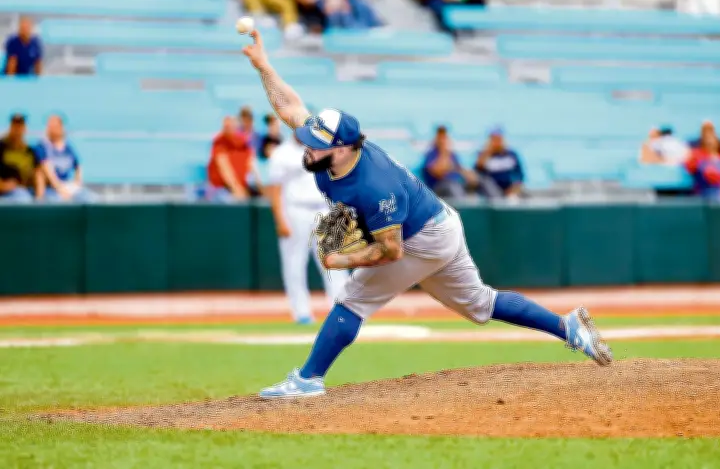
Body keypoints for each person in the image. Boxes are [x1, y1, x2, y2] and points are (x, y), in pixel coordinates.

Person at [240, 28, 612, 399]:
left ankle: (307, 379)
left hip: (421, 238)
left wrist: (343, 258)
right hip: (438, 222)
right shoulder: (331, 152)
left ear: (342, 149)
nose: (307, 147)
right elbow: (290, 107)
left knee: (353, 300)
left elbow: (392, 251)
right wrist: (264, 66)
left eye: (317, 145)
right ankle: (568, 327)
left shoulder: (374, 186)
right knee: (480, 302)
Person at [267, 124, 350, 324]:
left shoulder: (324, 150)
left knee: (335, 262)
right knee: (295, 264)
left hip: (324, 208)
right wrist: (280, 219)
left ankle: (341, 310)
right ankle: (301, 313)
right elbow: (275, 189)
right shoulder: (281, 153)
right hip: (295, 210)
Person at [36, 114, 94, 203]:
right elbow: (46, 169)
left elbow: (78, 166)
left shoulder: (68, 147)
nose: (52, 129)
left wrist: (77, 184)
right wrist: (60, 189)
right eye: (50, 126)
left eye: (55, 126)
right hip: (51, 188)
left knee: (88, 198)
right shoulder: (43, 146)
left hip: (67, 184)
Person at [206, 116, 265, 202]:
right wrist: (236, 188)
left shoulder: (243, 142)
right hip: (222, 188)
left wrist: (261, 187)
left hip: (242, 186)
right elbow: (224, 167)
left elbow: (251, 164)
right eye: (226, 127)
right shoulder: (220, 142)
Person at [0, 114, 43, 202]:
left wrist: (39, 197)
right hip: (8, 192)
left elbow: (38, 173)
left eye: (20, 126)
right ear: (11, 127)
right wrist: (3, 185)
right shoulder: (2, 147)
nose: (17, 130)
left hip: (26, 189)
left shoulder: (30, 151)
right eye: (15, 126)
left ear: (24, 128)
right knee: (23, 198)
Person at [684, 124, 720, 202]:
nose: (710, 143)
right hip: (703, 193)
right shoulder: (696, 154)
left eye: (712, 141)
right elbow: (690, 168)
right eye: (707, 141)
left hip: (719, 195)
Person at [474, 127, 524, 198]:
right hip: (491, 188)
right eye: (494, 139)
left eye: (499, 139)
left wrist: (515, 186)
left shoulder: (511, 154)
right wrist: (487, 153)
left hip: (509, 187)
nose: (497, 142)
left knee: (515, 196)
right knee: (488, 185)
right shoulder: (482, 155)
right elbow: (478, 173)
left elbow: (519, 174)